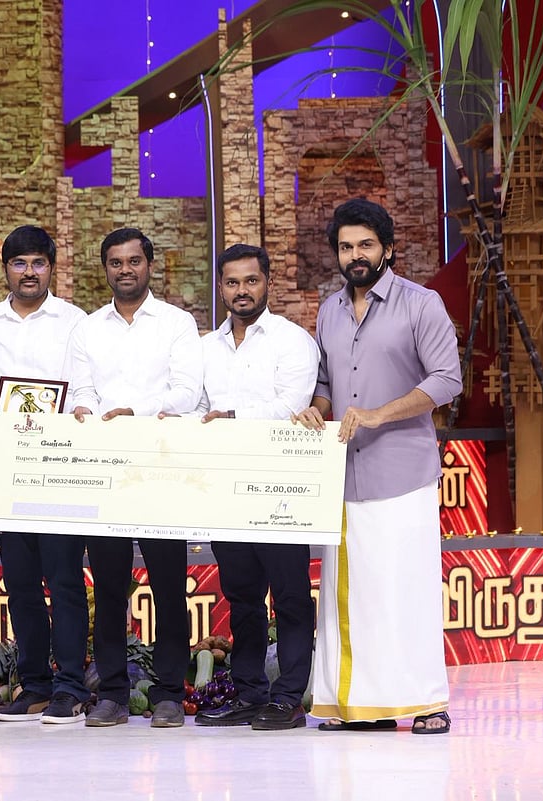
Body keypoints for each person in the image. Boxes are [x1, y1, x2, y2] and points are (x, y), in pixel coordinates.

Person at [293, 198, 461, 735]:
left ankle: (428, 702)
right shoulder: (329, 310)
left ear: (387, 248)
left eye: (365, 244)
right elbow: (325, 383)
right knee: (352, 594)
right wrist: (315, 411)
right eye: (346, 247)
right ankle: (361, 705)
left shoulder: (421, 304)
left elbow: (446, 380)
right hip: (344, 476)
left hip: (402, 473)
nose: (356, 255)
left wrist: (377, 414)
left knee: (406, 589)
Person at [65, 227, 203, 728]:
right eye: (116, 262)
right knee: (108, 587)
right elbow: (79, 388)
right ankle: (112, 695)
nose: (125, 270)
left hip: (162, 469)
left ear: (149, 265)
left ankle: (169, 694)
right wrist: (86, 410)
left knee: (168, 585)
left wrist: (131, 412)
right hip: (105, 471)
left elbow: (186, 392)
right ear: (105, 268)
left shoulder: (177, 323)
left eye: (134, 261)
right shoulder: (87, 328)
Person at [181, 244, 320, 731]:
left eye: (251, 281)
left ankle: (289, 698)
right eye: (233, 282)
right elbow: (194, 406)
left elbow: (292, 406)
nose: (242, 290)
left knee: (290, 596)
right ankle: (248, 693)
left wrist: (231, 418)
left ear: (268, 284)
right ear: (221, 288)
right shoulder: (204, 348)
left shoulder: (293, 340)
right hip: (226, 489)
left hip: (281, 487)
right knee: (241, 598)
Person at [0, 226, 90, 724]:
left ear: (51, 268)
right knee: (20, 583)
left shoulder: (76, 321)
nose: (29, 272)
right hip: (6, 468)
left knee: (64, 580)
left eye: (38, 263)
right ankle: (35, 685)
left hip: (59, 465)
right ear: (6, 269)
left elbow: (84, 386)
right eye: (19, 263)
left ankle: (70, 686)